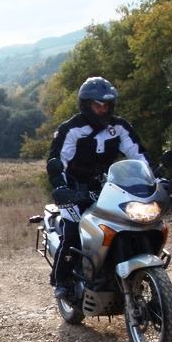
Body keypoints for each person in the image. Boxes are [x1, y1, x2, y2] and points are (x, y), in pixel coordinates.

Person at [46, 76, 149, 299]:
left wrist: (158, 179)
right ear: (86, 105)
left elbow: (138, 155)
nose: (102, 110)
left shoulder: (120, 127)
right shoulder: (71, 130)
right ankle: (62, 279)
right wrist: (61, 188)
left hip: (106, 185)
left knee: (128, 222)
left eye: (106, 105)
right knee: (74, 230)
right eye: (97, 105)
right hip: (73, 188)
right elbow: (57, 162)